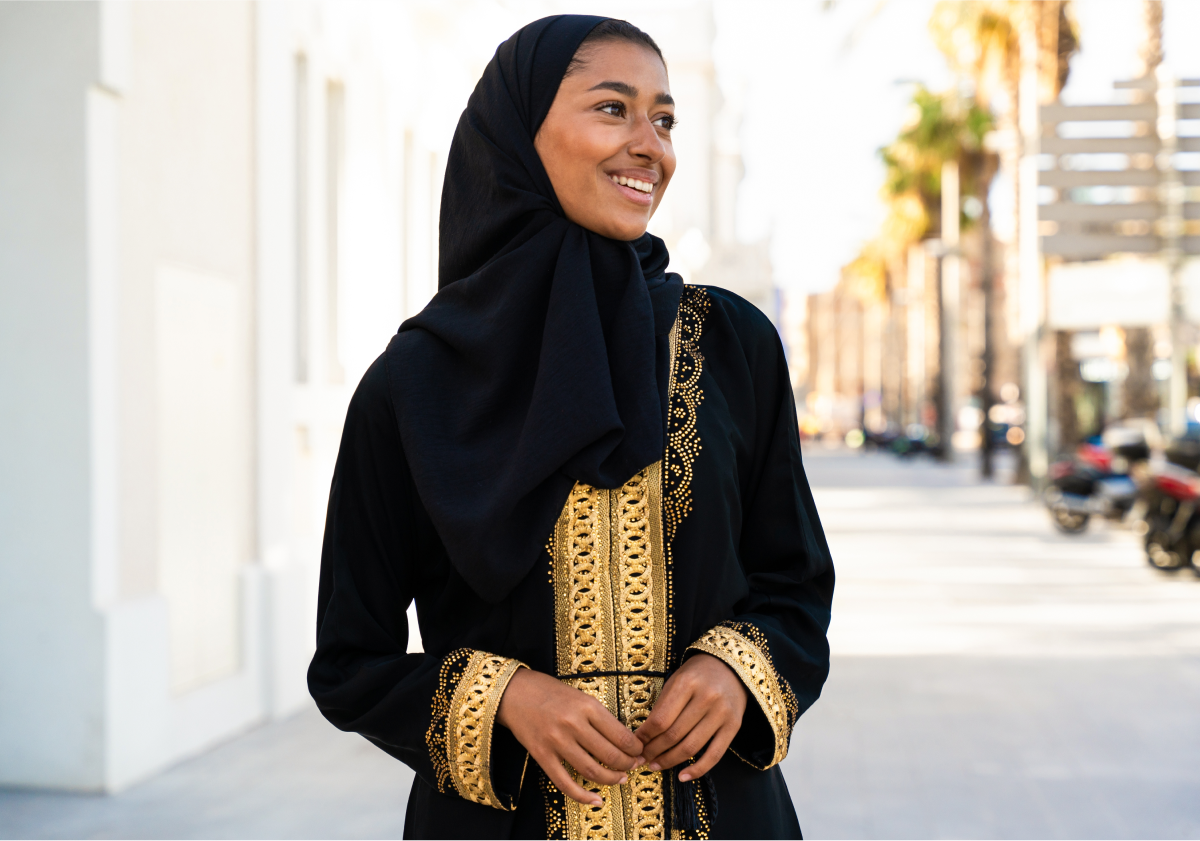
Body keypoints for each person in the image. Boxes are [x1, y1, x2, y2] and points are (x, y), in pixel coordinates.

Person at [308, 14, 834, 841]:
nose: (650, 147)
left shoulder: (733, 346)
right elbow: (350, 661)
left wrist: (736, 670)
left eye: (664, 119)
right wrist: (507, 697)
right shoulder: (412, 385)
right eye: (613, 108)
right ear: (520, 133)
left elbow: (795, 587)